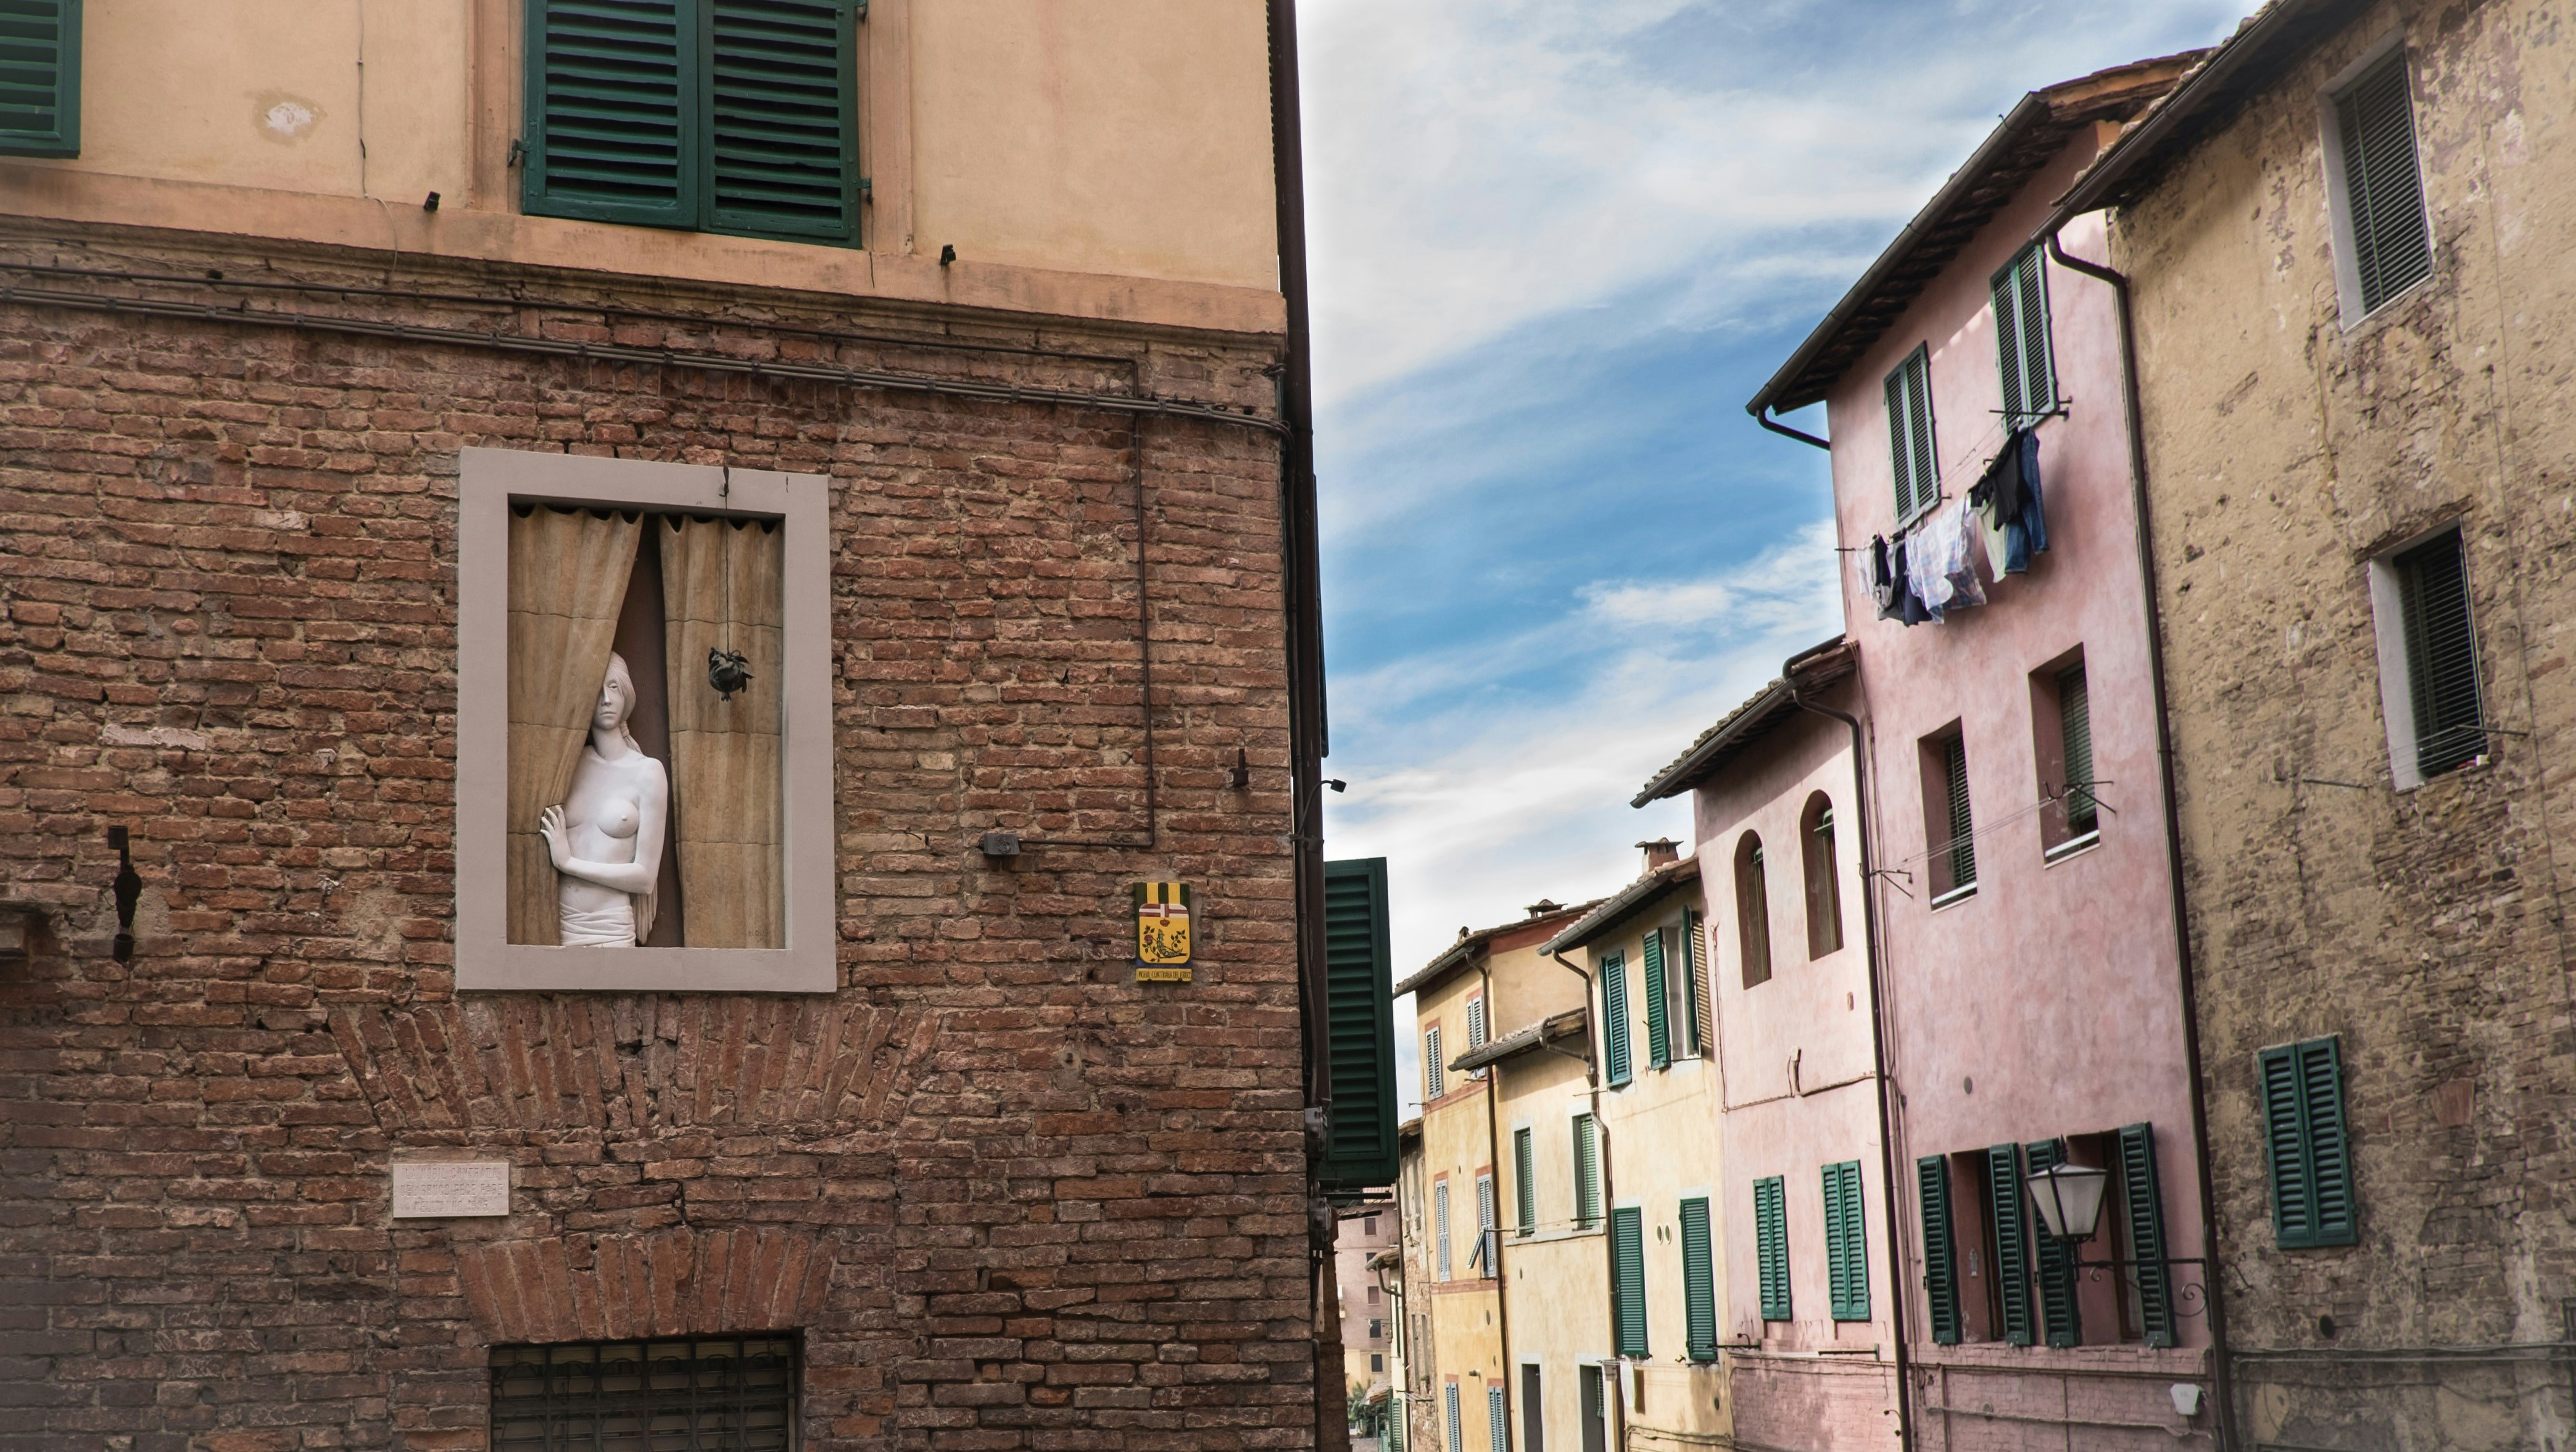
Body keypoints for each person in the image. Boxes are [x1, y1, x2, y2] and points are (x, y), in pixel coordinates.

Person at [538, 653, 668, 947]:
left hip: (612, 929)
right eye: (597, 689)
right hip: (559, 925)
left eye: (614, 687)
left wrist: (568, 863)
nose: (606, 700)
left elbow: (645, 878)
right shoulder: (567, 767)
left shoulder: (648, 772)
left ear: (626, 694)